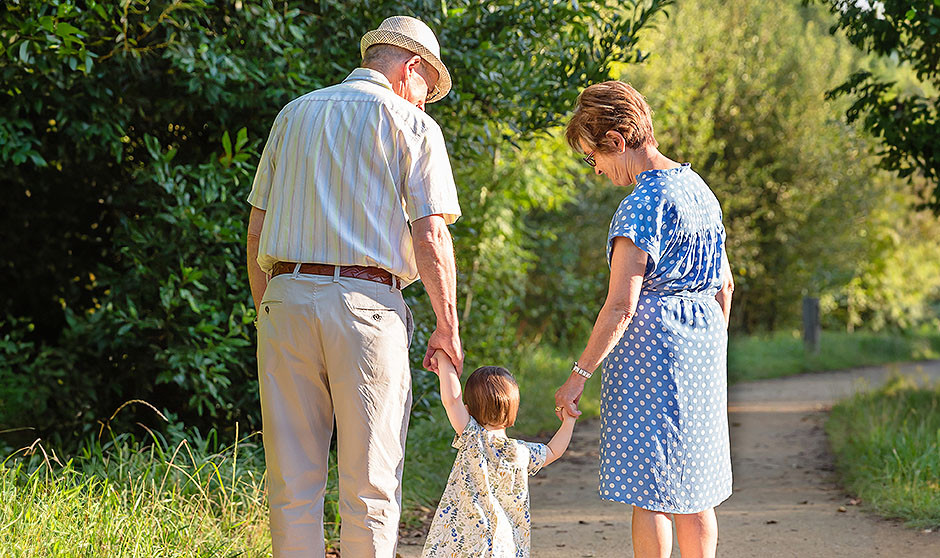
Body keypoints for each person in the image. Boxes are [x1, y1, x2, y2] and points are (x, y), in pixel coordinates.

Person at [245, 15, 463, 558]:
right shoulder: (411, 126)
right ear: (410, 68)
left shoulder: (293, 115)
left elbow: (255, 230)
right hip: (367, 308)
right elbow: (430, 233)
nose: (423, 103)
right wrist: (447, 326)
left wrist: (268, 309)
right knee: (370, 486)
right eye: (424, 91)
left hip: (285, 298)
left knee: (291, 486)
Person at [554, 81, 734, 558]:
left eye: (595, 157)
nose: (596, 169)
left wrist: (579, 376)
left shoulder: (641, 204)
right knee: (695, 486)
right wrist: (710, 347)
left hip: (651, 351)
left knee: (650, 485)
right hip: (702, 343)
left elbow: (621, 305)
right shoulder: (700, 189)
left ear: (616, 140)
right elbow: (725, 286)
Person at [421, 350, 577, 557]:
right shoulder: (521, 452)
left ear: (468, 410)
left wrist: (442, 358)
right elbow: (552, 450)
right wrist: (569, 421)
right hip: (504, 541)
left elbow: (451, 399)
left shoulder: (472, 438)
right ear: (513, 412)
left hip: (466, 538)